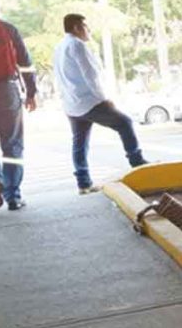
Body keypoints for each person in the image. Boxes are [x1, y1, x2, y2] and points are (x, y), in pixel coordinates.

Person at [53, 13, 148, 195]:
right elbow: (90, 74)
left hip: (71, 103)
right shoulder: (77, 45)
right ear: (76, 28)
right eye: (86, 26)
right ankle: (137, 162)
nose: (89, 31)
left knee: (79, 142)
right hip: (89, 101)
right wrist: (104, 98)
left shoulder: (59, 47)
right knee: (125, 123)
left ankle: (83, 183)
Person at [0, 0, 37, 211]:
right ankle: (13, 196)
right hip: (6, 91)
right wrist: (31, 92)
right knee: (12, 146)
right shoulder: (6, 28)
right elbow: (25, 62)